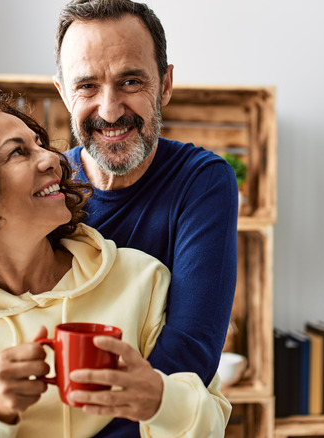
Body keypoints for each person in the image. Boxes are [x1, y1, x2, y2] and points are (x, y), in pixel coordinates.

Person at [0, 93, 230, 437]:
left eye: (39, 144)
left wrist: (159, 401)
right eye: (18, 152)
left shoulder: (138, 279)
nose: (53, 158)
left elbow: (212, 421)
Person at [52, 1, 239, 434]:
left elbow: (189, 354)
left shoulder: (203, 182)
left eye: (130, 81)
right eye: (87, 86)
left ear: (166, 84)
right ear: (63, 92)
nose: (111, 109)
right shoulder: (45, 186)